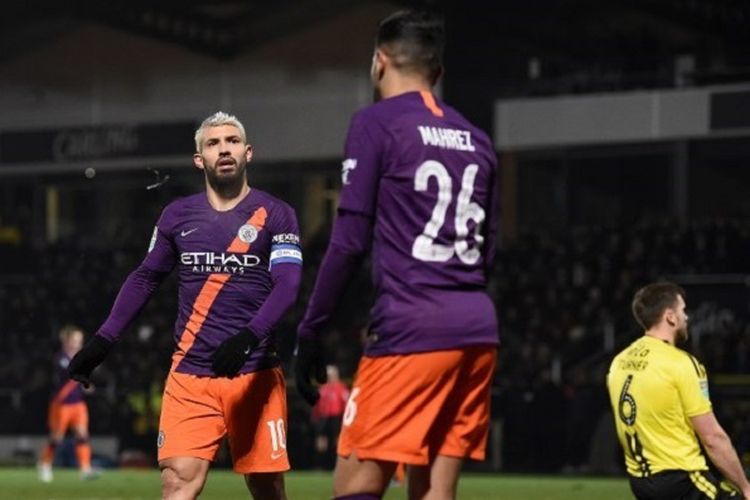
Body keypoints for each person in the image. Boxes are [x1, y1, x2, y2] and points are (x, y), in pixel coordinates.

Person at [295, 9, 499, 500]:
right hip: (475, 330)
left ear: (379, 61)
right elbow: (487, 253)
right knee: (435, 490)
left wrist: (311, 328)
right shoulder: (479, 139)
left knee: (356, 486)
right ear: (438, 72)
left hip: (411, 327)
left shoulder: (375, 123)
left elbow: (348, 240)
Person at [68, 111, 303, 500]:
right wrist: (103, 341)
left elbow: (288, 284)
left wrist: (248, 337)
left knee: (265, 486)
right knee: (177, 481)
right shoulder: (177, 216)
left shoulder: (277, 214)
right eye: (212, 144)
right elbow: (145, 278)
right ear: (199, 160)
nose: (223, 149)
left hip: (256, 374)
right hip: (190, 376)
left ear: (248, 153)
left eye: (231, 141)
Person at [607, 282, 750, 500]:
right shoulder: (681, 364)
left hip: (641, 483)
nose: (687, 317)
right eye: (683, 310)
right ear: (670, 317)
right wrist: (745, 487)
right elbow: (712, 438)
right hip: (682, 481)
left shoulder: (619, 362)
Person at [38, 324, 98, 482]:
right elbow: (72, 375)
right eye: (76, 340)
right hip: (61, 404)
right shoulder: (61, 359)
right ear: (67, 341)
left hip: (78, 404)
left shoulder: (79, 358)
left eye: (80, 340)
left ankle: (85, 469)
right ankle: (45, 465)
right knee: (57, 437)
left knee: (82, 435)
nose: (78, 343)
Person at [311, 365, 350, 469]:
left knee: (337, 440)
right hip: (323, 418)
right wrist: (315, 417)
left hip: (336, 417)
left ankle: (336, 464)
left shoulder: (341, 388)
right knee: (321, 440)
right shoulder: (323, 388)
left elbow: (346, 403)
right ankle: (320, 464)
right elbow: (316, 405)